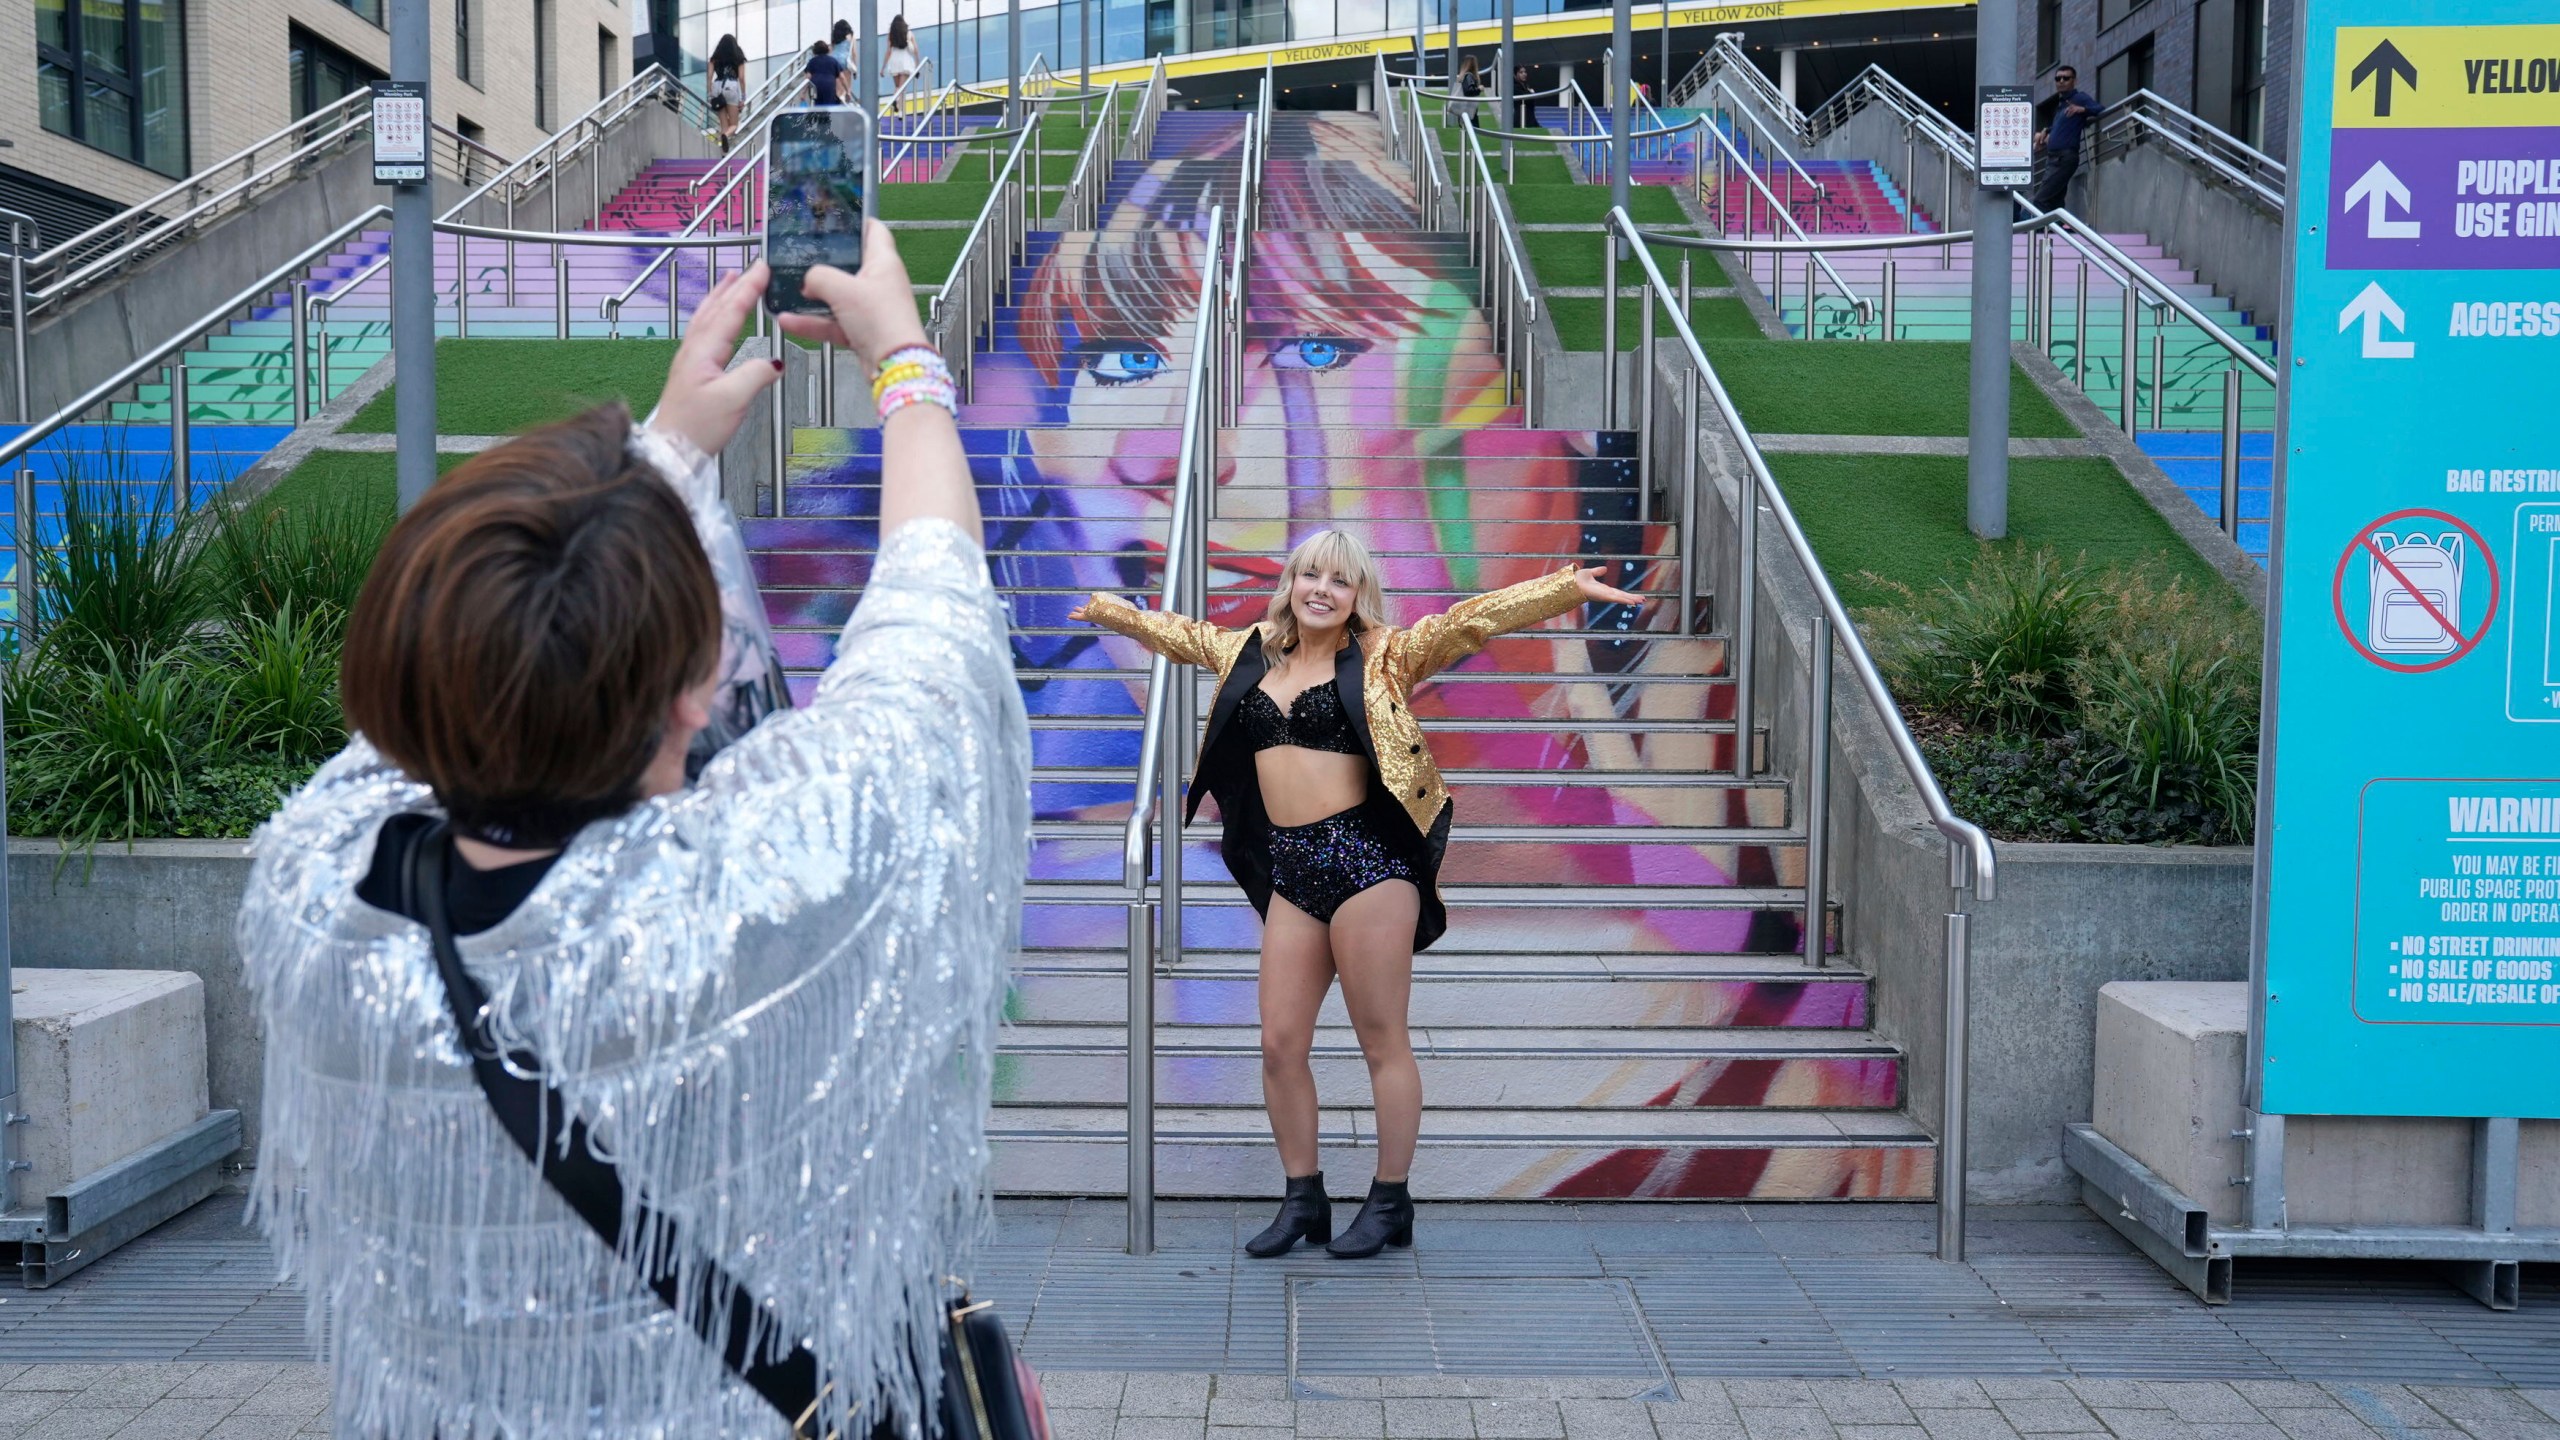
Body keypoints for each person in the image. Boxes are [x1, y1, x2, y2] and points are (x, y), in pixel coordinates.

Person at [238, 225, 1031, 1438]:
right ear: (692, 699)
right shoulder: (745, 894)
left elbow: (450, 683)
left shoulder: (314, 892)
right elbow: (931, 628)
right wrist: (903, 362)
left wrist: (656, 459)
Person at [1069, 536, 1643, 1258]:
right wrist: (1115, 613)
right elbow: (1182, 635)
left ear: (1356, 595)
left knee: (1381, 1041)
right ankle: (1303, 1196)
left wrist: (1561, 590)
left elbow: (1469, 621)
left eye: (1340, 581)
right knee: (1279, 1045)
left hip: (1370, 864)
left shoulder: (1384, 655)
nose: (1322, 589)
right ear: (1290, 581)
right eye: (1311, 574)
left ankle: (1390, 1200)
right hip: (1294, 868)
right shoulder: (1250, 650)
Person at [2032, 64, 2098, 212]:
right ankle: (2056, 230)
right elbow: (2059, 126)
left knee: (2040, 200)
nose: (2061, 81)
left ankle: (2037, 232)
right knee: (2055, 202)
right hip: (2053, 158)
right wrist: (2046, 130)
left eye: (2066, 78)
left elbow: (2100, 109)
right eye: (2058, 78)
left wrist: (2083, 109)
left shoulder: (2079, 98)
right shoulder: (2062, 104)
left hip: (2064, 158)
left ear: (2074, 80)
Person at [707, 32, 747, 152]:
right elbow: (741, 78)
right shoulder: (739, 57)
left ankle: (724, 153)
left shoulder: (715, 58)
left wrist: (710, 94)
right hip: (730, 86)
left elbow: (709, 77)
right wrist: (743, 97)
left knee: (724, 125)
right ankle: (725, 136)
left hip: (717, 87)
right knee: (734, 125)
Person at [885, 14, 926, 107]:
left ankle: (897, 103)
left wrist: (883, 68)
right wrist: (917, 65)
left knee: (898, 87)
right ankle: (899, 108)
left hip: (894, 62)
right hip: (905, 61)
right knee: (902, 88)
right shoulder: (909, 33)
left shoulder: (891, 35)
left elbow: (888, 52)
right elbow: (916, 51)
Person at [806, 37, 848, 105]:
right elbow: (842, 77)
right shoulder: (833, 61)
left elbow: (808, 77)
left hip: (816, 86)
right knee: (830, 106)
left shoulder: (812, 61)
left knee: (818, 107)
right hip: (829, 85)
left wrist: (803, 92)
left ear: (815, 51)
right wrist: (847, 91)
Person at [1450, 53, 1483, 129]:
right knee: (1473, 128)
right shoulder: (1469, 76)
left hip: (1465, 109)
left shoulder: (1464, 76)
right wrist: (1479, 89)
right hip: (1469, 109)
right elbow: (1468, 91)